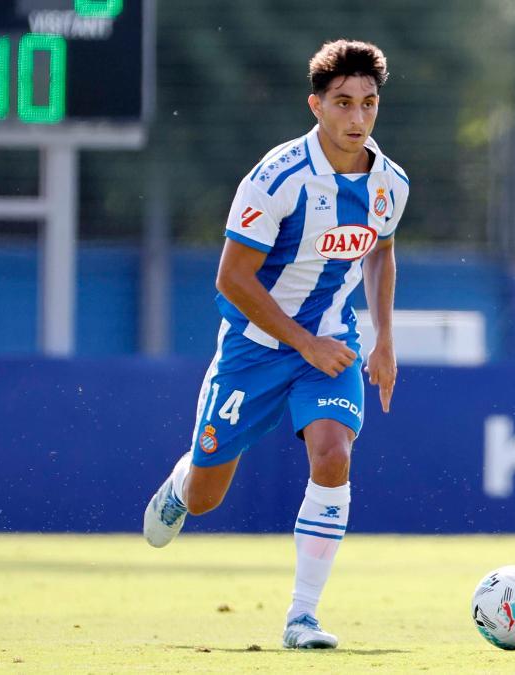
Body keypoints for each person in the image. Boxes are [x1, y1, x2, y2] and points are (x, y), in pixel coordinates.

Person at [142, 39, 408, 650]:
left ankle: (302, 616)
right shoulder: (277, 178)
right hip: (254, 348)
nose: (357, 117)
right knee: (206, 498)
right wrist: (302, 342)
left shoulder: (390, 183)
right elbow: (231, 279)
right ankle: (183, 483)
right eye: (343, 102)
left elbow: (382, 252)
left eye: (368, 103)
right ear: (316, 105)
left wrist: (384, 340)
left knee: (333, 455)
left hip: (331, 345)